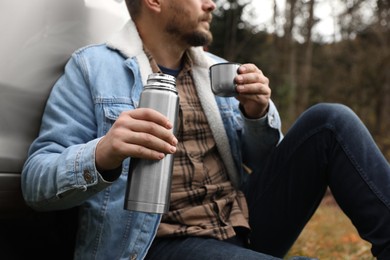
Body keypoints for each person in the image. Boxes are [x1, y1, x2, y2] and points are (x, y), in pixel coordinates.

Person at [21, 0, 390, 259]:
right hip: (161, 243)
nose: (212, 4)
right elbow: (35, 182)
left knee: (330, 120)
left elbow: (265, 164)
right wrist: (102, 153)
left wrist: (257, 114)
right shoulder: (93, 68)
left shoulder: (217, 70)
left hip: (244, 224)